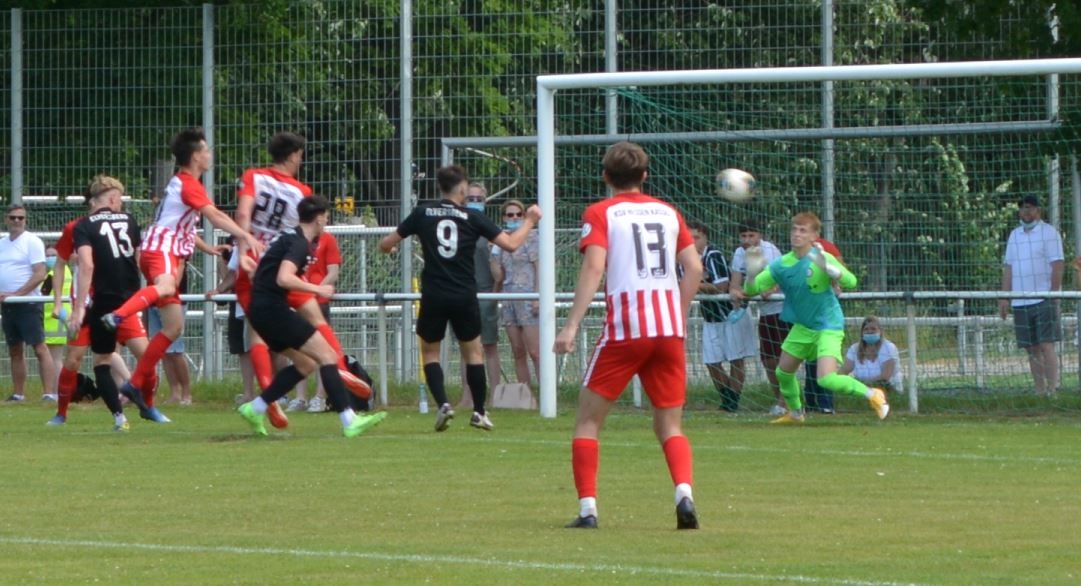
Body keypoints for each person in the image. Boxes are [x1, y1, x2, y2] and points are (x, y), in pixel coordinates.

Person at [553, 141, 701, 530]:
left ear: (606, 176)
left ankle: (588, 509)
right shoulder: (668, 212)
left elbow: (594, 267)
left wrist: (571, 325)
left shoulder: (601, 212)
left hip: (626, 329)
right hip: (668, 330)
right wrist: (678, 313)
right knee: (670, 425)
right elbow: (694, 267)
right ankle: (684, 493)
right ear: (644, 176)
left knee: (588, 421)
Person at [102, 127, 263, 420]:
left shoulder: (185, 184)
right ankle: (118, 315)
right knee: (166, 287)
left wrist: (207, 247)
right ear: (195, 156)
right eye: (206, 150)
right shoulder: (188, 184)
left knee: (173, 327)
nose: (210, 155)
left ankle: (136, 386)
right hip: (160, 251)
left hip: (163, 251)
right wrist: (245, 235)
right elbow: (215, 216)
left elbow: (180, 224)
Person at [378, 165, 541, 432]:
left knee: (430, 352)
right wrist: (530, 221)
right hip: (464, 293)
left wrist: (390, 249)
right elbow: (511, 244)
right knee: (474, 352)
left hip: (434, 293)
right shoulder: (472, 217)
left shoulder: (422, 213)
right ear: (463, 188)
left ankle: (443, 404)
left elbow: (385, 244)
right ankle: (479, 412)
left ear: (440, 187)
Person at [232, 131, 368, 427]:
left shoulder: (254, 176)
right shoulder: (300, 197)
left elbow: (242, 215)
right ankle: (341, 374)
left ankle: (261, 403)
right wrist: (317, 286)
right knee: (316, 322)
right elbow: (287, 274)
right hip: (280, 269)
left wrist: (242, 250)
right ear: (294, 155)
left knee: (273, 344)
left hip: (253, 261)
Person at [236, 195, 386, 438]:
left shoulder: (287, 237)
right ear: (318, 219)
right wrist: (318, 289)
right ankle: (349, 420)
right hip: (272, 310)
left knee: (306, 364)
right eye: (326, 217)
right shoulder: (299, 243)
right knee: (327, 356)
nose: (326, 222)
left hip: (260, 311)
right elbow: (284, 278)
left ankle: (256, 408)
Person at [731, 211, 889, 424]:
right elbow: (752, 289)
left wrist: (832, 270)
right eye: (794, 229)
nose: (797, 234)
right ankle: (796, 413)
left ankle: (873, 394)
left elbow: (851, 281)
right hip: (803, 327)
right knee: (783, 372)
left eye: (803, 230)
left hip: (828, 326)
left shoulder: (821, 258)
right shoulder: (781, 264)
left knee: (826, 379)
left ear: (814, 236)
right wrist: (751, 275)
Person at [46, 201, 143, 427]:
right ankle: (62, 412)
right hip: (87, 305)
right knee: (74, 359)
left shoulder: (121, 226)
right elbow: (61, 262)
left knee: (138, 352)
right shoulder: (77, 227)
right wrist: (59, 302)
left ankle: (138, 398)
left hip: (113, 302)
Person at [65, 175, 148, 431]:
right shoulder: (129, 220)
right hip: (129, 301)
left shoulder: (83, 225)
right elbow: (140, 260)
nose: (121, 204)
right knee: (146, 355)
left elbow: (84, 264)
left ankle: (120, 416)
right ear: (112, 199)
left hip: (100, 301)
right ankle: (139, 397)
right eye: (120, 199)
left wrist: (78, 308)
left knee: (101, 360)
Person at [999, 194, 1063, 396]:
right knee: (1031, 348)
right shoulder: (1014, 235)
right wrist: (1004, 297)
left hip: (1043, 298)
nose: (1026, 211)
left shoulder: (1049, 233)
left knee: (1046, 345)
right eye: (1022, 208)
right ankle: (1039, 391)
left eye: (1030, 207)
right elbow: (1008, 268)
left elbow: (1057, 265)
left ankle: (1053, 389)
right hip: (1020, 301)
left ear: (1038, 210)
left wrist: (1053, 294)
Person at [687, 220, 753, 413]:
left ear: (705, 238)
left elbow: (722, 286)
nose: (693, 241)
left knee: (736, 359)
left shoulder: (713, 255)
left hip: (731, 314)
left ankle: (731, 404)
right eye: (689, 238)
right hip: (710, 317)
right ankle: (727, 400)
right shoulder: (685, 259)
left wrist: (693, 284)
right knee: (711, 362)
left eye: (697, 237)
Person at [729, 219, 789, 415]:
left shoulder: (770, 250)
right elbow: (735, 282)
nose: (747, 240)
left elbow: (782, 275)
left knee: (783, 360)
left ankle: (786, 403)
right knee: (769, 360)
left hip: (782, 309)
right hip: (765, 312)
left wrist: (772, 289)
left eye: (751, 235)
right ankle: (779, 400)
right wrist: (735, 292)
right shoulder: (739, 253)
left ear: (759, 236)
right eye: (743, 236)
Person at [0, 204, 57, 402]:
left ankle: (48, 393)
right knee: (15, 349)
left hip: (28, 303)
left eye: (20, 218)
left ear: (25, 220)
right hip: (8, 304)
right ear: (6, 219)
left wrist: (17, 294)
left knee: (39, 347)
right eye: (13, 217)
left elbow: (40, 274)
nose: (16, 221)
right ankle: (18, 394)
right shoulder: (2, 243)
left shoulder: (32, 242)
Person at [458, 182, 502, 410]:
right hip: (464, 294)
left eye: (479, 199)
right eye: (471, 199)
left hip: (485, 294)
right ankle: (467, 396)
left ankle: (495, 394)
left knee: (489, 346)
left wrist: (494, 295)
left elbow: (498, 271)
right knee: (465, 348)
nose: (475, 203)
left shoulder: (490, 230)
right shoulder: (458, 228)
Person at [290, 228, 342, 413]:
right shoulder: (295, 240)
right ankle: (300, 397)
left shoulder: (328, 239)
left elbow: (333, 272)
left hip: (318, 302)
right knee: (299, 348)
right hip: (299, 301)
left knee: (323, 349)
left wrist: (317, 289)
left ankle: (320, 397)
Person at [492, 199, 540, 388]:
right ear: (504, 218)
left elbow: (539, 267)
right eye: (510, 215)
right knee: (518, 351)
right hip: (508, 299)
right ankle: (525, 395)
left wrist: (538, 296)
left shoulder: (532, 237)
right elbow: (498, 275)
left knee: (535, 351)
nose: (514, 218)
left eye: (519, 214)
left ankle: (547, 394)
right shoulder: (501, 240)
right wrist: (494, 253)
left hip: (528, 298)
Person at [802, 237, 843, 414]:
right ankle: (811, 402)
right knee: (810, 360)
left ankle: (826, 403)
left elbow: (839, 268)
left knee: (825, 361)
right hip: (809, 317)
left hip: (827, 321)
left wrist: (835, 284)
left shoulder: (826, 248)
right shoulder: (798, 252)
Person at [840, 315, 902, 394]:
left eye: (873, 329)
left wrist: (861, 385)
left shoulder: (889, 347)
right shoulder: (854, 349)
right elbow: (844, 370)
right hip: (861, 391)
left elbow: (885, 377)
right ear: (862, 333)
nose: (869, 331)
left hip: (887, 390)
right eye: (866, 329)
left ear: (880, 331)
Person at [41, 246, 70, 401]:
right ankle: (56, 392)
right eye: (47, 255)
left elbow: (42, 293)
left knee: (54, 359)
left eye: (53, 255)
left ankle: (55, 392)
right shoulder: (68, 272)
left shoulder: (53, 275)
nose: (50, 258)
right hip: (62, 317)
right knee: (56, 358)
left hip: (53, 319)